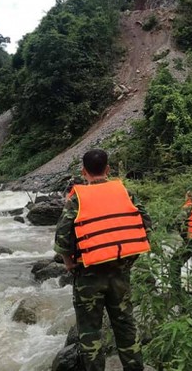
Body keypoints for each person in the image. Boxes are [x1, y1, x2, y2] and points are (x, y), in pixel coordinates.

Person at [54, 149, 152, 371]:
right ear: (108, 169)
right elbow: (145, 224)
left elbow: (62, 236)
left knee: (90, 333)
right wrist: (129, 260)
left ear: (83, 171)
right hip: (120, 273)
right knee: (126, 327)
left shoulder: (77, 198)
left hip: (88, 275)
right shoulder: (124, 193)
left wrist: (69, 262)